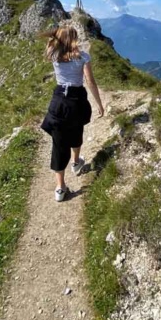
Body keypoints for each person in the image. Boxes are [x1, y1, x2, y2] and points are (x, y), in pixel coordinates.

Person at [39, 25, 105, 201]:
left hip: (59, 100)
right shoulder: (83, 57)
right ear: (74, 38)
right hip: (77, 100)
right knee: (76, 131)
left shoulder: (53, 54)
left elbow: (51, 43)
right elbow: (90, 82)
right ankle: (76, 163)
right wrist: (99, 104)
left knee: (59, 143)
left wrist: (56, 36)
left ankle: (60, 188)